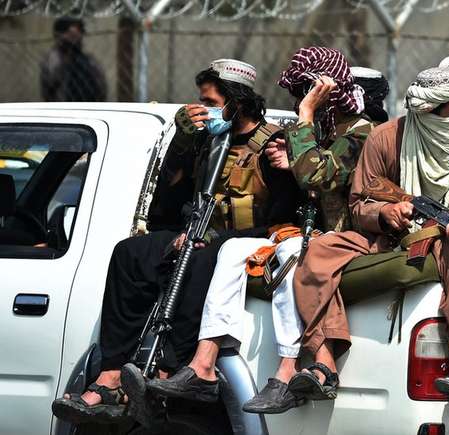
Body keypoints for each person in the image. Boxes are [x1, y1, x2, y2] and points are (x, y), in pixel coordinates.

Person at [51, 59, 301, 425]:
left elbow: (282, 216)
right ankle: (111, 375)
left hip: (248, 240)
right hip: (196, 231)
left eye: (213, 102)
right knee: (130, 253)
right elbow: (166, 203)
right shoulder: (205, 141)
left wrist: (219, 236)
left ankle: (168, 370)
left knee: (203, 258)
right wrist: (181, 143)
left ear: (238, 101)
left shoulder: (273, 144)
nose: (205, 110)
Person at [144, 47, 378, 416]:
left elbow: (319, 175)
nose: (302, 99)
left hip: (348, 235)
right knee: (230, 251)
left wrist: (300, 134)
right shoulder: (322, 128)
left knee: (290, 257)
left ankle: (287, 371)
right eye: (300, 93)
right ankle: (203, 364)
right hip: (311, 230)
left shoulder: (362, 132)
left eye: (308, 90)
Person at [285, 65, 449, 403]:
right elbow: (359, 204)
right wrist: (386, 214)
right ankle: (324, 362)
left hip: (445, 240)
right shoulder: (385, 137)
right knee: (320, 250)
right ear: (429, 111)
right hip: (386, 239)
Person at [40, 16, 107, 102]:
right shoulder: (53, 59)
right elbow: (50, 87)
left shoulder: (89, 60)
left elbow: (101, 87)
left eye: (79, 33)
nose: (77, 37)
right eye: (71, 35)